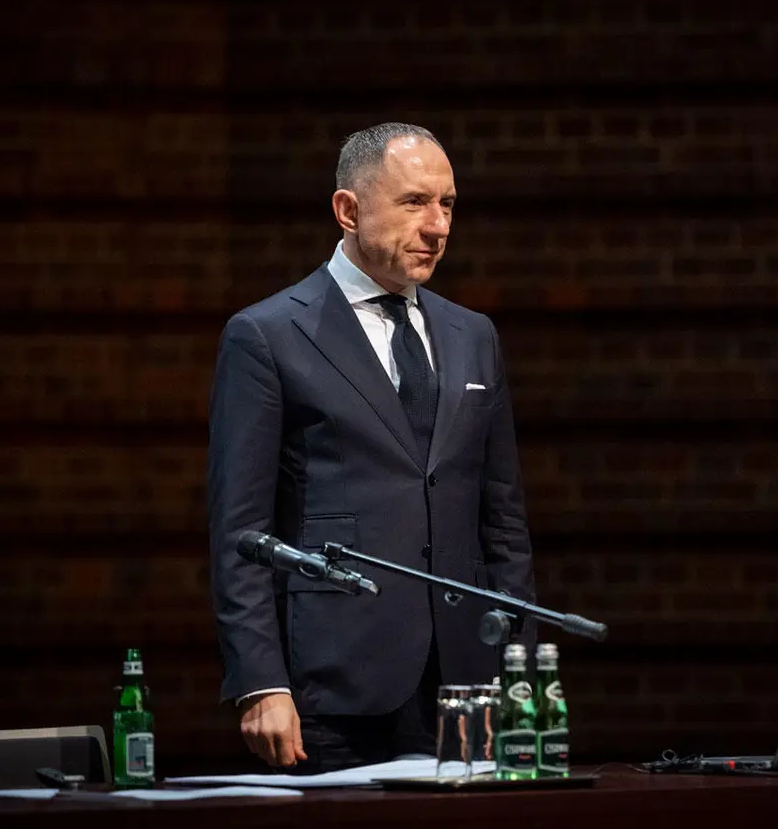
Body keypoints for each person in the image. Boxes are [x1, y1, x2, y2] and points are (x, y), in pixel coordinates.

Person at [208, 122, 536, 773]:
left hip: (466, 682)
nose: (437, 226)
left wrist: (519, 671)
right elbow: (240, 531)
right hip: (336, 684)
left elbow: (503, 523)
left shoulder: (473, 335)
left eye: (447, 204)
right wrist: (260, 682)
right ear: (348, 211)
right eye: (414, 202)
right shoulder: (269, 335)